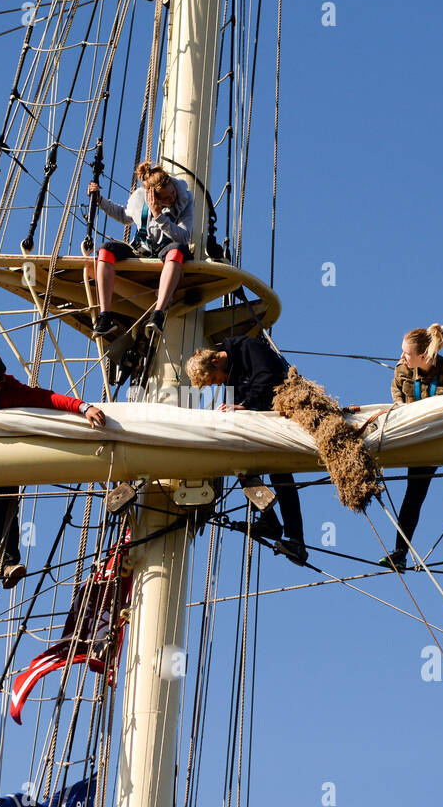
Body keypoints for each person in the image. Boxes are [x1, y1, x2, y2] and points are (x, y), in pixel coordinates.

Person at [0, 348, 106, 592]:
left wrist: (83, 407)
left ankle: (7, 565)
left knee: (5, 507)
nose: (1, 381)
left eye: (1, 376)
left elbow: (47, 398)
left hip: (3, 455)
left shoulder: (9, 387)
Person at [185, 336, 308, 566]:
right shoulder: (227, 373)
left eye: (214, 379)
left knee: (281, 476)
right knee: (241, 468)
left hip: (277, 416)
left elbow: (269, 376)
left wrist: (244, 404)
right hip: (256, 424)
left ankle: (296, 540)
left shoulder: (248, 348)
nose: (218, 384)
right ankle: (269, 520)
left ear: (216, 361)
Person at [380, 324, 443, 578]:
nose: (401, 357)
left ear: (424, 356)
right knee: (414, 495)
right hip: (424, 440)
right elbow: (397, 395)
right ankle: (400, 552)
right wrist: (399, 408)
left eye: (406, 354)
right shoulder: (403, 371)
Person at [87, 162, 194, 340]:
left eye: (172, 193)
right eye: (166, 198)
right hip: (141, 249)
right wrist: (100, 200)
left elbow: (183, 237)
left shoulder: (184, 200)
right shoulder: (140, 198)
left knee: (177, 250)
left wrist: (160, 217)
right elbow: (124, 215)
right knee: (105, 250)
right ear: (153, 198)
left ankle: (158, 314)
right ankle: (105, 316)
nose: (172, 199)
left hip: (168, 251)